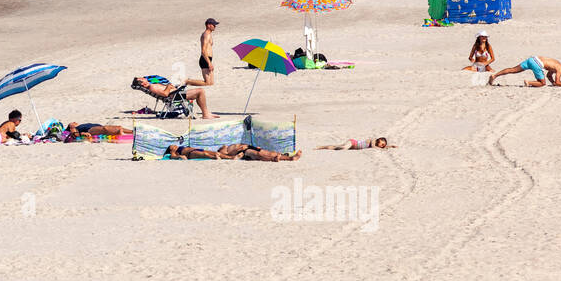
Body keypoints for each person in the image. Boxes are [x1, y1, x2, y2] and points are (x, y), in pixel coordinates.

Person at [132, 77, 217, 119]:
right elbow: (165, 94)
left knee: (195, 88)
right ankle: (206, 114)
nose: (144, 78)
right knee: (200, 91)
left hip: (175, 93)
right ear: (143, 84)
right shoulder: (152, 87)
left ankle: (205, 113)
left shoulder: (151, 85)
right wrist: (169, 86)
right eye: (142, 79)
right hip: (175, 96)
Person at [488, 56, 561, 87]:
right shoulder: (560, 68)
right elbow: (558, 81)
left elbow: (549, 76)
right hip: (537, 64)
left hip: (533, 59)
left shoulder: (557, 64)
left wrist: (552, 83)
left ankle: (494, 76)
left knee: (513, 70)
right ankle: (528, 82)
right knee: (542, 83)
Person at [165, 143, 298, 161]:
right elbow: (174, 157)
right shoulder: (174, 152)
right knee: (207, 154)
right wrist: (179, 156)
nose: (174, 145)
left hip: (245, 152)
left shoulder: (242, 147)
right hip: (192, 153)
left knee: (211, 153)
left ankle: (285, 157)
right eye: (172, 146)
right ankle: (285, 158)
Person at [188, 18, 218, 86]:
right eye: (214, 25)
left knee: (211, 83)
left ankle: (188, 81)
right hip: (205, 59)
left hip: (208, 59)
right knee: (207, 83)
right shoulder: (206, 35)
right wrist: (209, 63)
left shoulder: (209, 34)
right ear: (208, 25)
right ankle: (187, 81)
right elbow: (203, 50)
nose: (215, 26)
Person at [65, 122, 134, 139]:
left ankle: (132, 132)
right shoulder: (72, 127)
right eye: (72, 122)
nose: (74, 122)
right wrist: (82, 134)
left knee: (119, 127)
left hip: (96, 127)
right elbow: (74, 134)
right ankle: (121, 135)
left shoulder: (80, 125)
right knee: (106, 129)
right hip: (91, 130)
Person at [315, 137, 394, 150]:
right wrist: (384, 148)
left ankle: (321, 147)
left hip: (353, 147)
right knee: (343, 148)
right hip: (352, 142)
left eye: (383, 145)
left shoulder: (377, 144)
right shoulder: (373, 140)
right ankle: (320, 147)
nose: (382, 146)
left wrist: (389, 146)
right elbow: (373, 146)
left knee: (336, 147)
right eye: (382, 144)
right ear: (379, 140)